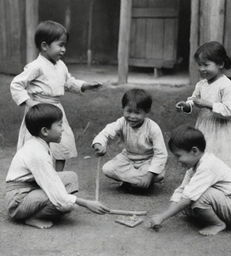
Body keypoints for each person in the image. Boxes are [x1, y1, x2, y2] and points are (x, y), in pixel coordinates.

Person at [10, 20, 102, 172]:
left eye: (65, 45)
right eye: (60, 45)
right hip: (39, 111)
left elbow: (68, 82)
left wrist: (86, 85)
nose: (64, 49)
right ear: (45, 46)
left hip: (56, 110)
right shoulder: (36, 66)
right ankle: (37, 177)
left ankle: (58, 176)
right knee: (37, 144)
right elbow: (16, 84)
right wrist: (30, 102)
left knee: (61, 143)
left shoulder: (61, 66)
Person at [5, 104, 109, 229]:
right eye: (59, 125)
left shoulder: (40, 143)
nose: (63, 129)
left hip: (31, 189)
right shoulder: (36, 153)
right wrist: (87, 203)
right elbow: (56, 192)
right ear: (45, 131)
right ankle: (33, 217)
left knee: (70, 177)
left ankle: (47, 209)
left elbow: (51, 180)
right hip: (18, 200)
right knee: (62, 202)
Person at [149, 125, 231, 236]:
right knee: (188, 197)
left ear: (194, 151)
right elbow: (181, 191)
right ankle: (206, 216)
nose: (177, 161)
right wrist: (165, 214)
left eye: (179, 156)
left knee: (197, 197)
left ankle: (218, 224)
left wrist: (162, 217)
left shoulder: (208, 165)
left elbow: (188, 198)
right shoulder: (193, 167)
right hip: (223, 201)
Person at [176, 41, 231, 173]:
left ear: (220, 64)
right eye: (199, 65)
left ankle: (222, 185)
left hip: (222, 129)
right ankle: (202, 180)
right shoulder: (201, 85)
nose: (202, 69)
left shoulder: (226, 86)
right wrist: (186, 106)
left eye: (206, 65)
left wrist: (208, 104)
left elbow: (230, 111)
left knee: (221, 158)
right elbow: (194, 101)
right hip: (204, 126)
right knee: (203, 156)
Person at [92, 88, 168, 190]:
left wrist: (149, 174)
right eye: (129, 111)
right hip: (127, 158)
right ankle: (137, 183)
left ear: (146, 112)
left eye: (137, 113)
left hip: (147, 160)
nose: (132, 116)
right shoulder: (121, 122)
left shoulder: (153, 128)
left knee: (158, 175)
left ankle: (134, 182)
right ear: (123, 108)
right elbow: (106, 132)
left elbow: (161, 154)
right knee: (108, 169)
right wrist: (99, 144)